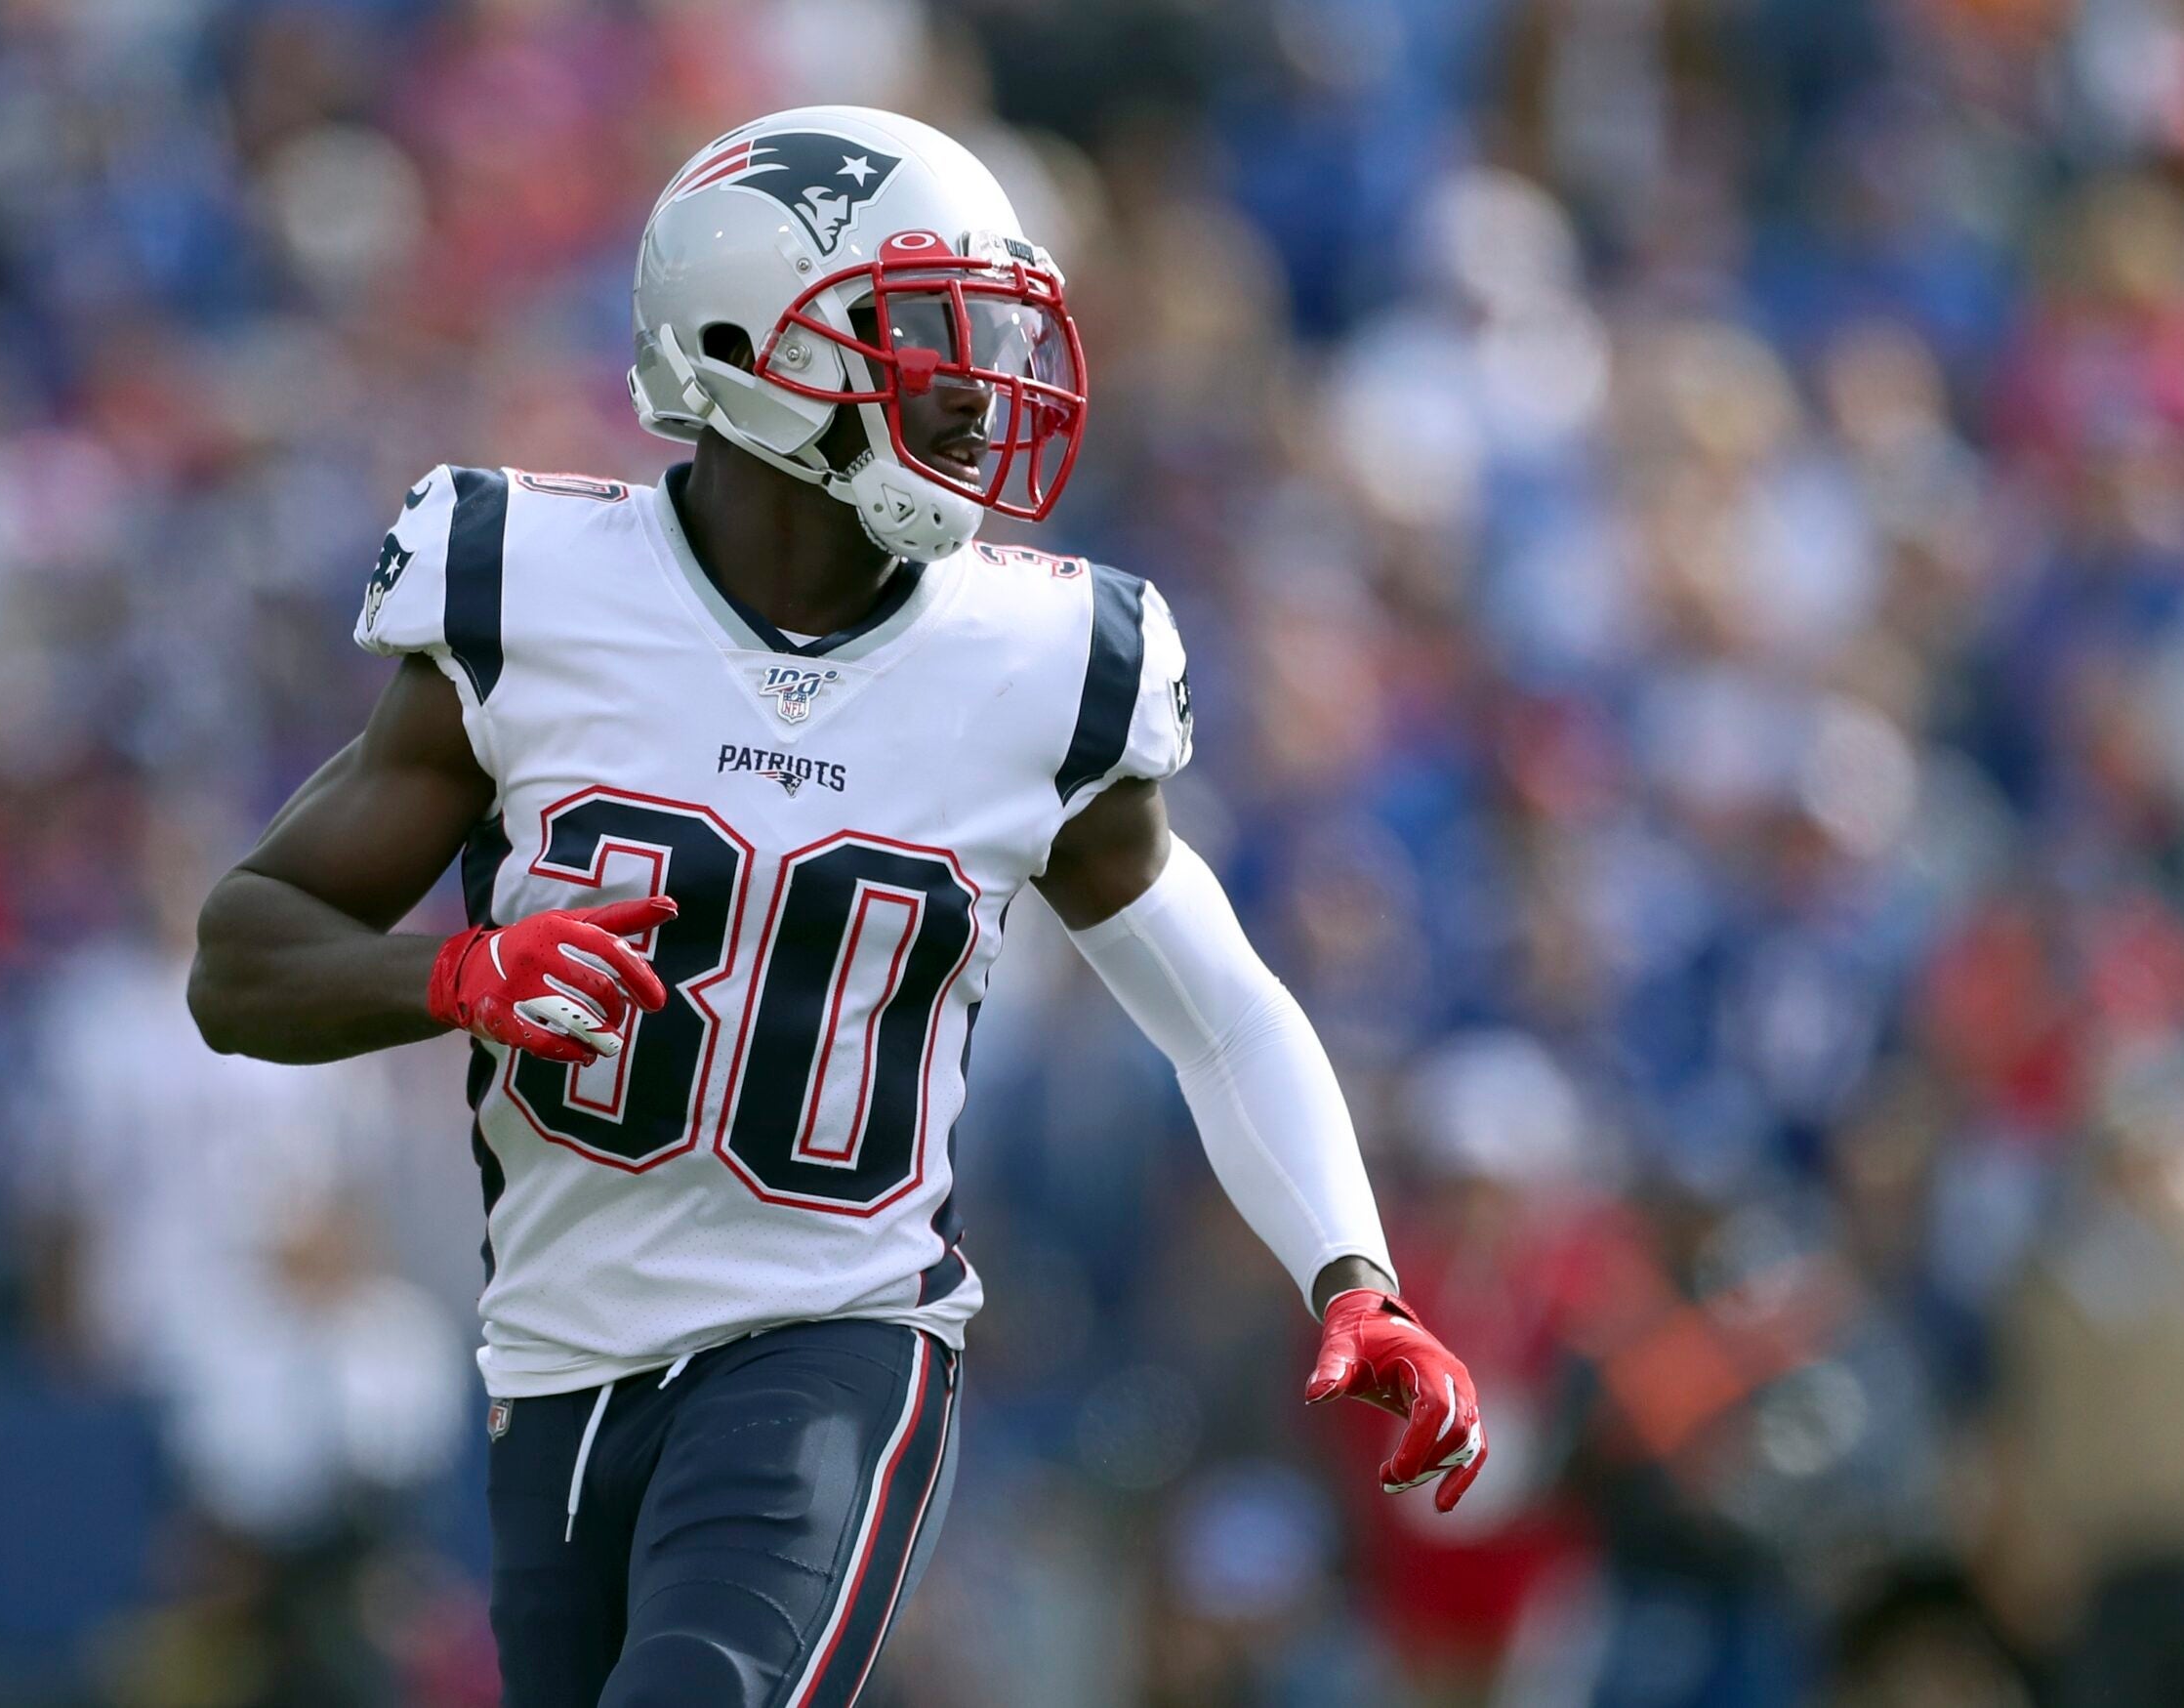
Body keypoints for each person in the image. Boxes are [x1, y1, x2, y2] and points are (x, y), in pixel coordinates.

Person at [186, 104, 1486, 1708]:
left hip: (835, 1336)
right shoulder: (537, 589)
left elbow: (1217, 1007)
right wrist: (454, 973)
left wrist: (1354, 1273)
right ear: (744, 339)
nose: (974, 380)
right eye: (924, 329)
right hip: (553, 1359)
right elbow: (239, 962)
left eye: (990, 331)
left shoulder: (1037, 661)